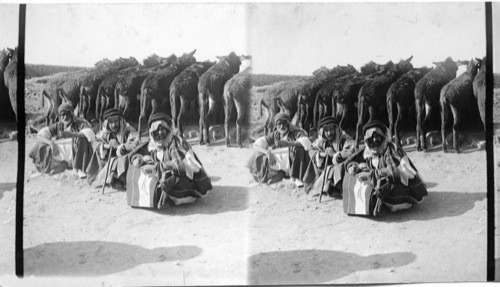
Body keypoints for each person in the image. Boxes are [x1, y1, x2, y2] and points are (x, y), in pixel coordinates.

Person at [343, 119, 427, 215]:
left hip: (400, 184)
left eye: (377, 137)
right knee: (352, 179)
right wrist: (352, 166)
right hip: (378, 180)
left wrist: (370, 175)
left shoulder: (392, 150)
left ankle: (386, 204)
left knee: (392, 190)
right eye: (371, 138)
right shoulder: (367, 150)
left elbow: (396, 173)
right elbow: (351, 161)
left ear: (383, 136)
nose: (374, 140)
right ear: (366, 140)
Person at [129, 113, 212, 207]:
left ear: (168, 129)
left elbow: (181, 167)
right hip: (163, 174)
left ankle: (171, 196)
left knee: (176, 183)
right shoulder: (152, 144)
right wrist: (138, 158)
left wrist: (155, 168)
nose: (160, 133)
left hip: (184, 178)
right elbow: (136, 153)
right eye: (157, 130)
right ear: (152, 132)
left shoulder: (177, 143)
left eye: (163, 129)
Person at [247, 112, 315, 188]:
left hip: (293, 161)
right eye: (279, 124)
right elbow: (257, 144)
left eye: (284, 123)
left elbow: (306, 141)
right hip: (278, 162)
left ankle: (295, 177)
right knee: (257, 153)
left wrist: (288, 143)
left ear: (288, 124)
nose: (282, 126)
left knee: (298, 149)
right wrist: (268, 152)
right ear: (276, 125)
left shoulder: (295, 132)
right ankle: (280, 174)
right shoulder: (275, 134)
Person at [28, 103, 96, 178]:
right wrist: (51, 143)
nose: (65, 117)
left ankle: (79, 168)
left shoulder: (79, 122)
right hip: (61, 154)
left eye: (68, 114)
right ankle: (59, 165)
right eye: (63, 115)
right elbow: (40, 135)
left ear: (72, 115)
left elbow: (90, 134)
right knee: (41, 144)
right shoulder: (59, 125)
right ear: (60, 116)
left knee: (82, 140)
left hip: (77, 152)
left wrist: (71, 134)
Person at [86, 108, 139, 189]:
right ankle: (106, 178)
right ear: (107, 123)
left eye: (116, 121)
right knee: (98, 152)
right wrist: (105, 146)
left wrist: (118, 146)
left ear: (120, 121)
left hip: (125, 161)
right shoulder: (106, 133)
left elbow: (134, 145)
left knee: (120, 160)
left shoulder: (128, 131)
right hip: (110, 160)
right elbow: (95, 142)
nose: (114, 125)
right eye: (111, 122)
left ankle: (120, 180)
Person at [308, 116, 355, 198]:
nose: (329, 133)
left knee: (333, 168)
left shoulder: (344, 138)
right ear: (322, 132)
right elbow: (311, 149)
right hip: (329, 167)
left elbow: (351, 151)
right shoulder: (322, 141)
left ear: (336, 129)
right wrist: (321, 154)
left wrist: (334, 154)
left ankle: (336, 188)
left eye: (331, 129)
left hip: (343, 168)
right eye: (326, 130)